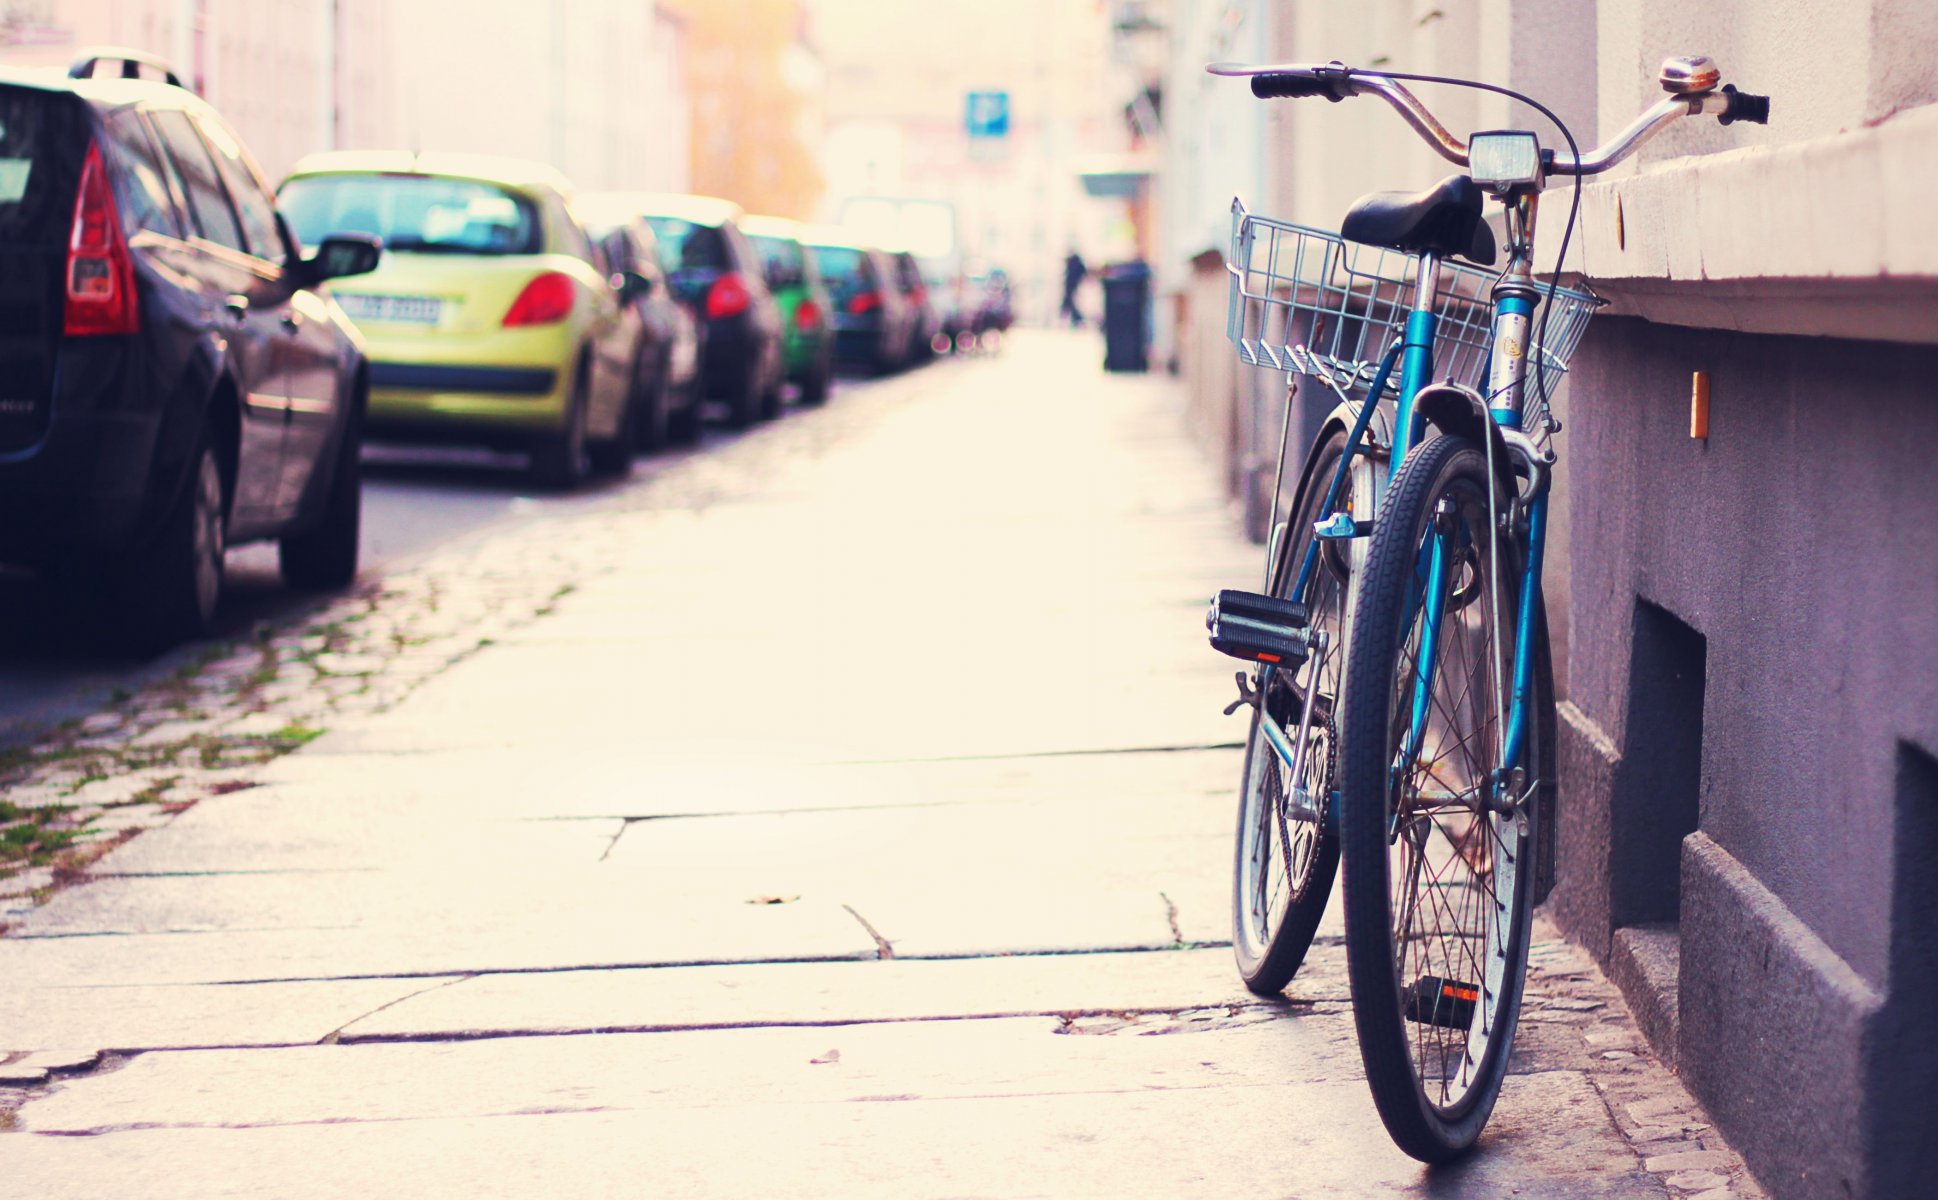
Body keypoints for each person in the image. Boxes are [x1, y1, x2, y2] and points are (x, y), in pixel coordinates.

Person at [1060, 251, 1088, 327]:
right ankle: (1075, 320)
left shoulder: (1075, 266)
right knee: (1069, 304)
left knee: (1068, 303)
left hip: (1071, 288)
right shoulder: (1075, 266)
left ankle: (1076, 319)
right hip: (1071, 288)